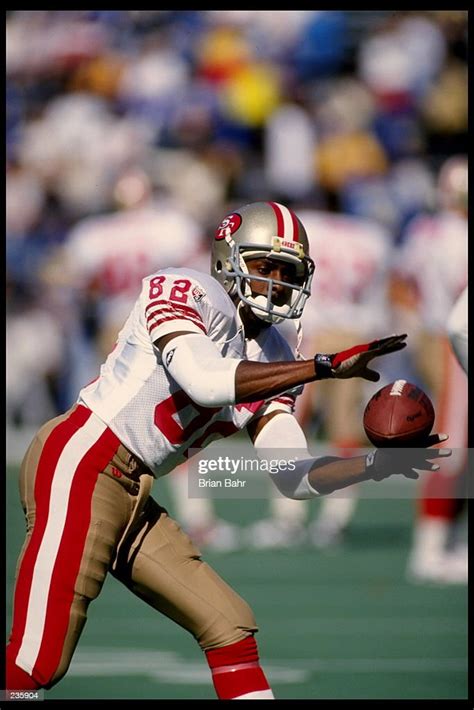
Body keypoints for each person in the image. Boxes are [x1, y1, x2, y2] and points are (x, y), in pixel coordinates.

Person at [6, 201, 449, 700]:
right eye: (264, 266)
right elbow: (207, 379)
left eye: (288, 271)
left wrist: (376, 465)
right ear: (227, 259)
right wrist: (321, 367)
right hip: (81, 460)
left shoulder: (277, 354)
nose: (277, 282)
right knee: (36, 661)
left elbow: (293, 477)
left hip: (133, 486)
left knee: (229, 627)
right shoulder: (185, 289)